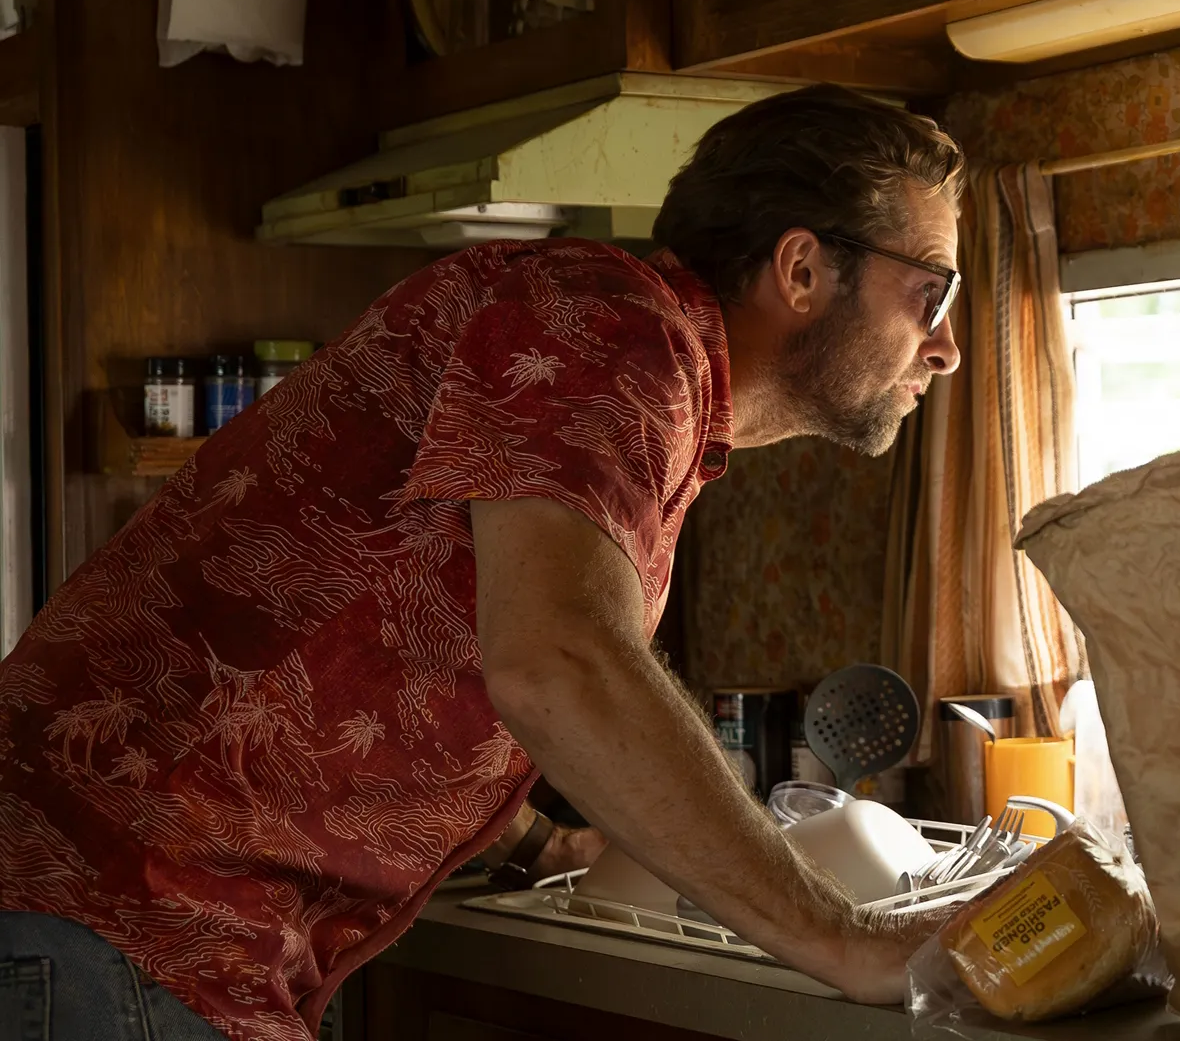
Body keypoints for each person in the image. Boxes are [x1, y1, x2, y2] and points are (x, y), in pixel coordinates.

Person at [0, 84, 965, 1041]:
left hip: (119, 924)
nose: (948, 348)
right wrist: (846, 939)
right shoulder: (609, 329)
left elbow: (393, 657)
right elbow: (559, 661)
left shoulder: (606, 354)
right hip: (118, 916)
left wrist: (541, 842)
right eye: (932, 293)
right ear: (801, 269)